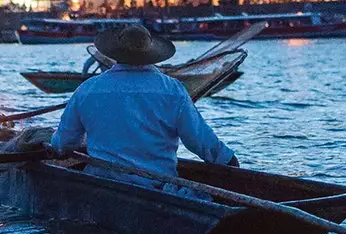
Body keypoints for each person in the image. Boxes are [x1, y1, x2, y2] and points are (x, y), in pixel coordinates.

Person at [50, 23, 238, 184]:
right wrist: (227, 159)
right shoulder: (172, 90)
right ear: (150, 53)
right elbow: (199, 139)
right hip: (158, 183)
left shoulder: (87, 90)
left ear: (115, 53)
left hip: (103, 182)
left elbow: (63, 144)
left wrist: (53, 143)